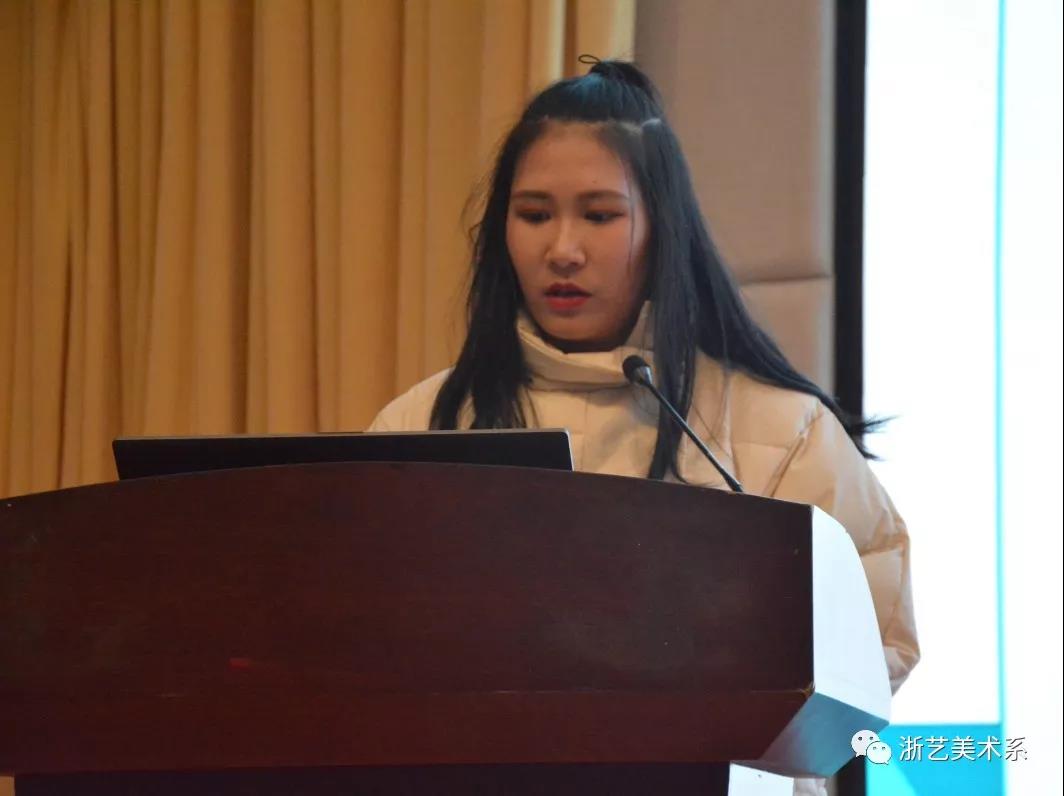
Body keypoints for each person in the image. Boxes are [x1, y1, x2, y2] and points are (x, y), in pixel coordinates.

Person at [369, 59, 918, 794]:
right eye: (534, 214)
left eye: (600, 215)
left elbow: (875, 650)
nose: (563, 249)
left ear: (663, 229)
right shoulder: (423, 425)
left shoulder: (784, 430)